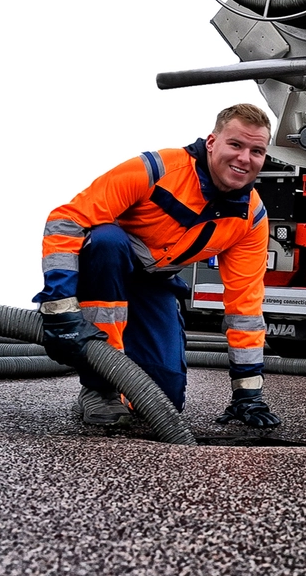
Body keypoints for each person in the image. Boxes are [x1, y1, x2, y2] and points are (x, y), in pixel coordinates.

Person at [35, 103, 281, 428]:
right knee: (108, 241)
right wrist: (60, 309)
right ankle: (100, 389)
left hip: (154, 283)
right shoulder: (156, 169)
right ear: (211, 142)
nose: (244, 158)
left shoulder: (250, 218)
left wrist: (247, 394)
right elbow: (65, 222)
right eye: (235, 144)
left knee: (164, 397)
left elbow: (245, 309)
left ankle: (126, 375)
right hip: (108, 268)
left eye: (256, 151)